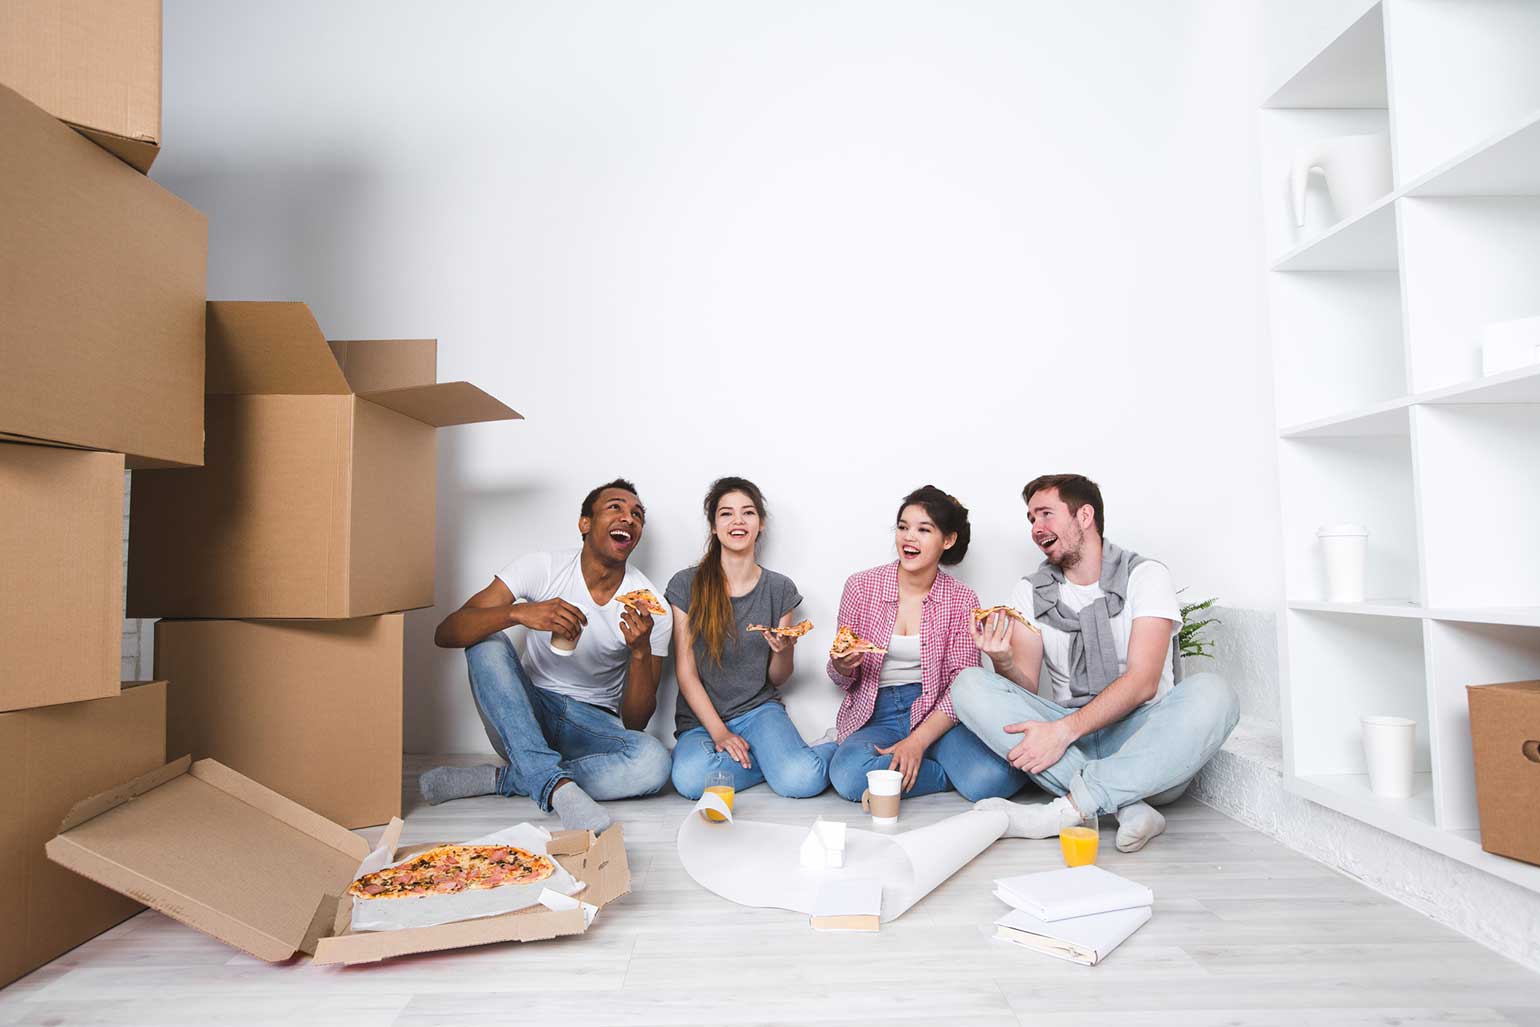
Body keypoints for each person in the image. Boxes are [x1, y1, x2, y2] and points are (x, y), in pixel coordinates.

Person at [952, 473, 1240, 853]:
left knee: (1215, 694)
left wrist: (1062, 732)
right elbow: (1023, 691)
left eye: (1045, 514)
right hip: (1072, 749)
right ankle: (1126, 804)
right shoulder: (1029, 592)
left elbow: (1143, 683)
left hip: (1143, 743)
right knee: (969, 684)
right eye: (1031, 519)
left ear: (1084, 515)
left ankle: (1064, 811)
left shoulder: (1145, 576)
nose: (1036, 528)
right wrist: (1003, 660)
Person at [417, 479, 672, 834]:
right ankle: (556, 785)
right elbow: (446, 631)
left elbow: (635, 723)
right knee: (485, 638)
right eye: (615, 507)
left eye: (637, 514)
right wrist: (518, 614)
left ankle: (510, 778)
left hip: (594, 725)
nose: (628, 518)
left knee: (654, 763)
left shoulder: (650, 607)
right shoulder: (541, 567)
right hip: (524, 713)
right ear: (585, 523)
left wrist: (641, 652)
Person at [825, 486, 1027, 803]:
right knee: (848, 775)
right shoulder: (861, 587)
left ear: (947, 540)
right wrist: (840, 665)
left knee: (995, 778)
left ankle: (898, 775)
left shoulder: (962, 599)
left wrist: (919, 741)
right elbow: (840, 676)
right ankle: (941, 774)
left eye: (923, 529)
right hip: (878, 715)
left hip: (938, 714)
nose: (909, 538)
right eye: (903, 527)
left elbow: (963, 684)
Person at [667, 477, 833, 799]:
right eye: (726, 514)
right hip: (701, 720)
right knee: (689, 781)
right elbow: (686, 673)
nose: (738, 521)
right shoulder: (685, 584)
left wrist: (784, 652)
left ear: (761, 524)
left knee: (800, 781)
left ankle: (826, 747)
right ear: (714, 526)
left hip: (759, 711)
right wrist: (720, 733)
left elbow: (778, 678)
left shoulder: (779, 589)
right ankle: (776, 763)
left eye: (748, 513)